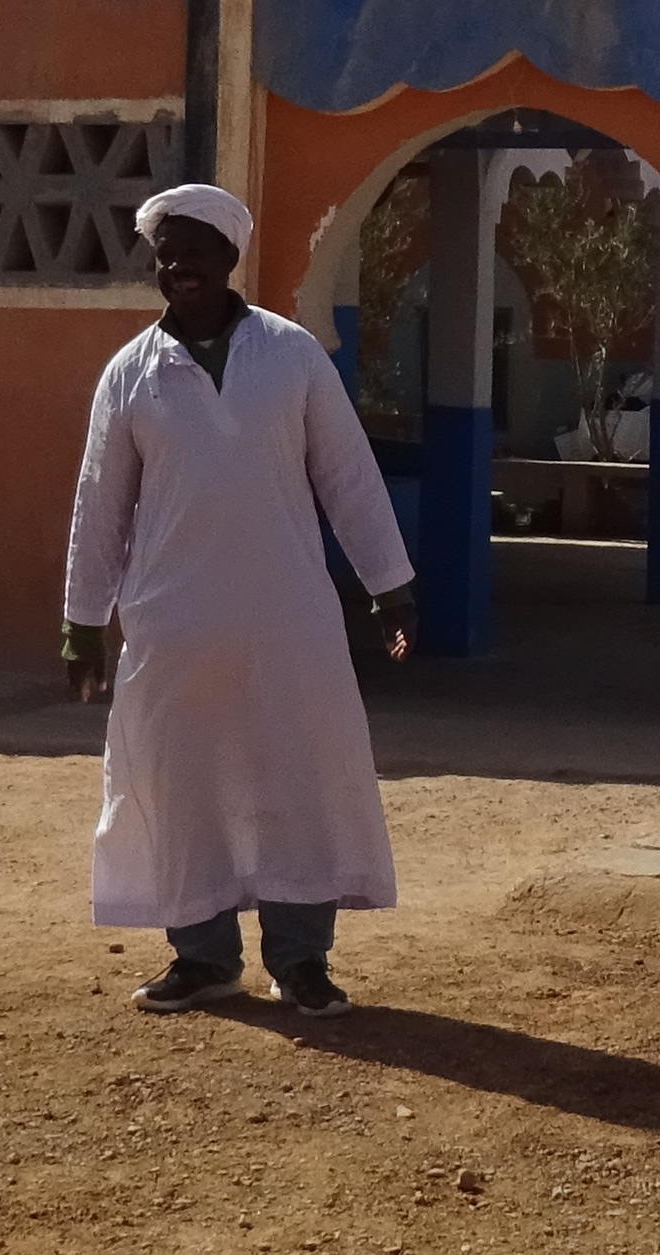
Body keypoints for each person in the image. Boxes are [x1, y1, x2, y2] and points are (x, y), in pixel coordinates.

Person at [60, 181, 418, 1013]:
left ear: (230, 257)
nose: (180, 267)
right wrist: (81, 622)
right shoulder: (130, 375)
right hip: (170, 627)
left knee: (298, 781)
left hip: (287, 620)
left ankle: (301, 960)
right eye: (167, 256)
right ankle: (202, 956)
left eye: (196, 252)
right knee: (182, 788)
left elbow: (349, 477)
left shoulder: (293, 356)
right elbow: (99, 503)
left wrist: (390, 588)